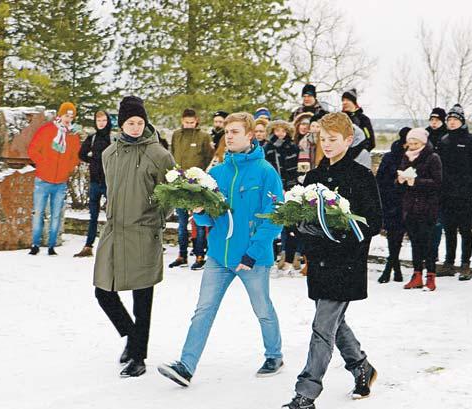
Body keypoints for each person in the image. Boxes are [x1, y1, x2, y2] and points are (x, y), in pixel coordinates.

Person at [158, 112, 285, 387]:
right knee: (203, 309)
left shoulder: (266, 173)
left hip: (252, 257)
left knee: (262, 308)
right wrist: (200, 211)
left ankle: (274, 355)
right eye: (227, 132)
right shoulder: (215, 173)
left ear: (250, 136)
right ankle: (186, 366)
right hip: (219, 256)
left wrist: (253, 252)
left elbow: (275, 217)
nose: (228, 136)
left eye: (235, 132)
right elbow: (207, 219)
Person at [282, 112, 382, 409]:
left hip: (346, 262)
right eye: (322, 139)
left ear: (348, 140)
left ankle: (306, 393)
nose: (326, 144)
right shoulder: (312, 178)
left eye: (332, 139)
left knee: (322, 327)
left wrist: (342, 232)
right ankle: (361, 367)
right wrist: (298, 224)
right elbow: (300, 218)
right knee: (334, 324)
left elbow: (373, 222)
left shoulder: (361, 176)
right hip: (320, 262)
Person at [93, 96, 176, 377]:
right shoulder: (109, 154)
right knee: (103, 290)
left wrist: (156, 220)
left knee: (143, 298)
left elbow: (172, 192)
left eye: (140, 122)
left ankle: (138, 357)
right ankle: (132, 336)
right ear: (121, 123)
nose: (136, 127)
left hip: (143, 232)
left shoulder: (159, 154)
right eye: (131, 122)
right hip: (115, 230)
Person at [436, 104, 472, 280]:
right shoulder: (444, 140)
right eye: (449, 120)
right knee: (449, 229)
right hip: (447, 193)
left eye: (455, 119)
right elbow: (439, 168)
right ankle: (449, 262)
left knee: (465, 230)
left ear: (462, 122)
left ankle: (465, 264)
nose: (452, 122)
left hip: (465, 194)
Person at [27, 102, 81, 256]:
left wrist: (67, 168)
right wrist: (43, 163)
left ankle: (51, 246)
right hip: (42, 180)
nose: (68, 119)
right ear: (60, 115)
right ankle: (35, 244)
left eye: (71, 116)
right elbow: (33, 150)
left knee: (56, 214)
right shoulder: (47, 130)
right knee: (38, 213)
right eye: (66, 115)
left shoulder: (73, 135)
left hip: (60, 182)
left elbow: (75, 157)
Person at [169, 108, 215, 270]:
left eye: (191, 122)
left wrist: (202, 178)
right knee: (182, 223)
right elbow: (172, 155)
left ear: (196, 121)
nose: (189, 124)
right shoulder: (176, 135)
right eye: (186, 122)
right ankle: (182, 254)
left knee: (198, 221)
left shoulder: (203, 137)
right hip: (179, 183)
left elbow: (210, 158)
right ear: (182, 120)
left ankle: (199, 255)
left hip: (196, 184)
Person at [398, 128, 443, 291]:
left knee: (429, 244)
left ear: (423, 143)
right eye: (410, 143)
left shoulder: (433, 158)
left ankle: (430, 276)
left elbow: (437, 183)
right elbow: (398, 183)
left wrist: (416, 182)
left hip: (427, 207)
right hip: (410, 207)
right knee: (415, 243)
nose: (412, 146)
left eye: (415, 143)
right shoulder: (406, 157)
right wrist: (401, 179)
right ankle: (416, 275)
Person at [264, 120, 302, 274]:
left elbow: (295, 169)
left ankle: (290, 255)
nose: (280, 133)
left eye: (283, 131)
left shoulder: (292, 147)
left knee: (291, 222)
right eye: (277, 130)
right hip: (273, 188)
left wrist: (290, 187)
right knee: (272, 219)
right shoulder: (268, 148)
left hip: (290, 188)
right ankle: (272, 255)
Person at [74, 111, 112, 258]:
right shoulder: (93, 138)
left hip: (109, 182)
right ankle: (88, 246)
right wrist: (93, 162)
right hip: (95, 182)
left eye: (103, 120)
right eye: (98, 120)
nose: (101, 123)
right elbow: (81, 154)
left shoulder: (113, 138)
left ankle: (111, 247)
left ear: (108, 121)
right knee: (93, 216)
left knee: (112, 216)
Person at [375, 127, 410, 283]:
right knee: (393, 235)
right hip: (391, 199)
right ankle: (393, 267)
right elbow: (380, 179)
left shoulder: (413, 157)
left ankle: (392, 267)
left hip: (407, 200)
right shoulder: (391, 156)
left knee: (398, 235)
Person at [426, 107, 448, 270]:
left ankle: (434, 252)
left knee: (438, 222)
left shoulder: (446, 137)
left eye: (437, 120)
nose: (434, 123)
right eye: (432, 120)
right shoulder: (424, 135)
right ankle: (427, 252)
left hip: (440, 184)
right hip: (424, 183)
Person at [342, 88, 375, 152]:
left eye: (347, 100)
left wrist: (360, 153)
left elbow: (371, 141)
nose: (344, 102)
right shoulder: (339, 119)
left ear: (354, 102)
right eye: (343, 100)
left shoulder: (363, 119)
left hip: (358, 157)